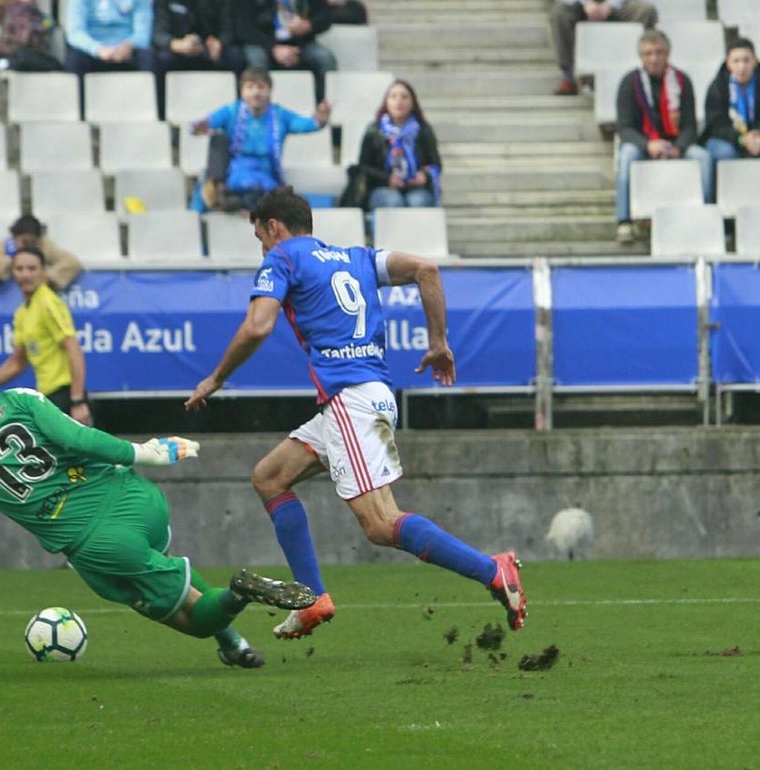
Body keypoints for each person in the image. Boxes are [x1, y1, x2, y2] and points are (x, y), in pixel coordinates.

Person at [184, 187, 527, 639]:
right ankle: (312, 599)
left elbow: (257, 325)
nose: (262, 248)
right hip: (358, 399)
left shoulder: (283, 258)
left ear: (273, 227)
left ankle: (492, 570)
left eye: (260, 237)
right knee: (269, 476)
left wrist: (217, 378)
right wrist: (439, 342)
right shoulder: (358, 257)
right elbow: (427, 269)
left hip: (352, 401)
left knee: (382, 524)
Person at [0, 351, 317, 670]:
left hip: (98, 545)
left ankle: (237, 595)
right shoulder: (22, 400)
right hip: (137, 499)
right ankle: (233, 644)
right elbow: (78, 438)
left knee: (193, 618)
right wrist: (145, 452)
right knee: (169, 574)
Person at [614, 29, 712, 244]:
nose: (654, 58)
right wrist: (648, 144)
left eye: (659, 52)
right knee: (627, 154)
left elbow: (689, 125)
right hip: (643, 143)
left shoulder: (682, 80)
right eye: (648, 53)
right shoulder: (629, 83)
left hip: (675, 143)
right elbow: (625, 128)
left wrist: (679, 147)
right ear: (641, 57)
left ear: (668, 54)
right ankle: (624, 220)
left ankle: (706, 214)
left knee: (703, 157)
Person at [190, 66, 330, 213]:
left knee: (269, 198)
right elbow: (202, 124)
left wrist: (319, 120)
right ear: (242, 92)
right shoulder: (232, 111)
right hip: (236, 173)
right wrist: (196, 127)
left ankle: (242, 206)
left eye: (261, 87)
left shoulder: (280, 115)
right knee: (216, 149)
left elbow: (305, 124)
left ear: (270, 91)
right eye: (250, 87)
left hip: (266, 175)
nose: (256, 92)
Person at [0, 246, 93, 426]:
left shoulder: (48, 302)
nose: (26, 274)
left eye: (32, 269)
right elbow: (17, 363)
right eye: (20, 269)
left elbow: (73, 348)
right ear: (12, 272)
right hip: (47, 397)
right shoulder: (22, 313)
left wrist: (78, 400)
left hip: (65, 394)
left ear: (43, 271)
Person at [340, 79, 441, 211]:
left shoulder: (423, 130)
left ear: (412, 103)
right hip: (381, 187)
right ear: (386, 103)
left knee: (419, 202)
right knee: (393, 202)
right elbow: (364, 167)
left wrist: (425, 176)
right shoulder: (374, 131)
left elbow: (436, 164)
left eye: (404, 97)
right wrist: (387, 179)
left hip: (414, 187)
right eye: (393, 97)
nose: (399, 101)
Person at [152, 0, 245, 119]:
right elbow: (158, 34)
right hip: (178, 49)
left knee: (236, 57)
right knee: (162, 59)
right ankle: (162, 116)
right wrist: (176, 44)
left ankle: (239, 114)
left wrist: (220, 42)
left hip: (210, 49)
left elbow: (228, 28)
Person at [700, 38, 760, 165]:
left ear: (754, 61)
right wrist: (741, 139)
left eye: (746, 60)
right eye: (736, 61)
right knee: (727, 153)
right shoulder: (717, 86)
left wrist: (758, 134)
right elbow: (715, 125)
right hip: (726, 138)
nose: (742, 66)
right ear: (728, 63)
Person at [233, 0, 337, 101]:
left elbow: (325, 17)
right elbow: (244, 28)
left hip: (301, 43)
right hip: (262, 43)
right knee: (256, 59)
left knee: (325, 58)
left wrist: (309, 25)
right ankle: (257, 109)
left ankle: (323, 107)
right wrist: (273, 48)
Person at [549, 0, 658, 96]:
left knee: (646, 11)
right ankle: (571, 77)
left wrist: (609, 5)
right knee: (560, 13)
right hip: (581, 7)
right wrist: (586, 3)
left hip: (617, 7)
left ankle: (644, 75)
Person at [0, 214, 83, 290]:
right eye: (25, 242)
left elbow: (72, 262)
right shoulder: (6, 246)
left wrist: (48, 278)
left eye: (33, 242)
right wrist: (13, 262)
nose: (29, 247)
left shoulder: (45, 245)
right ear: (14, 237)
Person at [63, 0, 154, 77]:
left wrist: (129, 45)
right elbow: (75, 33)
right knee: (75, 60)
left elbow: (143, 34)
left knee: (151, 60)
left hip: (128, 50)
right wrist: (98, 49)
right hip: (93, 51)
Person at [0, 0, 64, 73]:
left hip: (24, 55)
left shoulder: (24, 12)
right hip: (19, 54)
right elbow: (24, 40)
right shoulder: (16, 11)